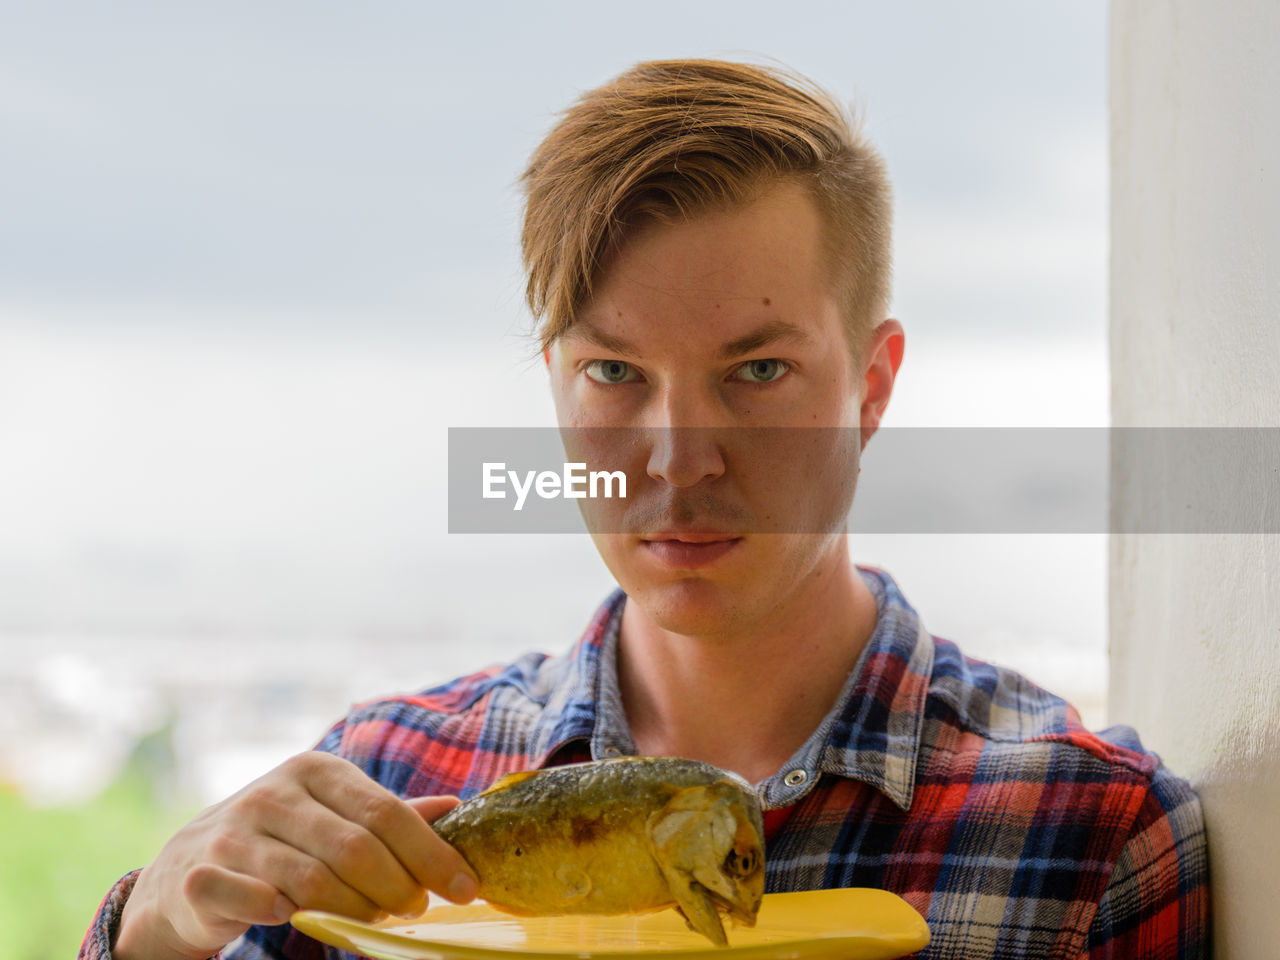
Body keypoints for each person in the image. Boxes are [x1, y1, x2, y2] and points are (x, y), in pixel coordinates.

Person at [80, 58, 1209, 960]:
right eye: (614, 374)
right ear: (555, 380)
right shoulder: (382, 790)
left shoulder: (1091, 834)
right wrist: (154, 934)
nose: (677, 461)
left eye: (757, 372)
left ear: (868, 387)